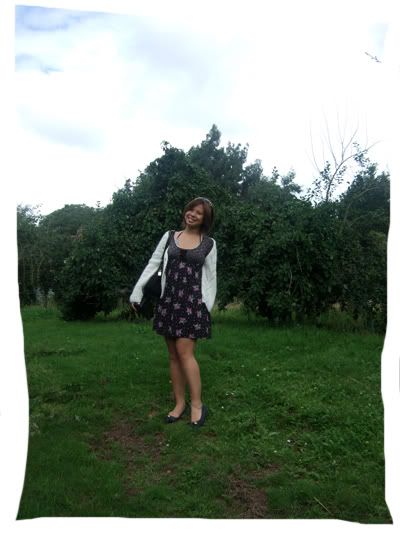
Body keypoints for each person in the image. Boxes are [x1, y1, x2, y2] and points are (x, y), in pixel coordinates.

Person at [129, 197, 217, 427]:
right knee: (173, 356)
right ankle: (179, 404)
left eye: (199, 212)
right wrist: (137, 292)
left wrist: (205, 307)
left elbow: (211, 277)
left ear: (204, 219)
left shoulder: (209, 244)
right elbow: (153, 263)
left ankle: (197, 405)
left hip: (192, 304)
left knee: (185, 353)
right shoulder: (170, 236)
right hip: (168, 301)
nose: (192, 214)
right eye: (191, 209)